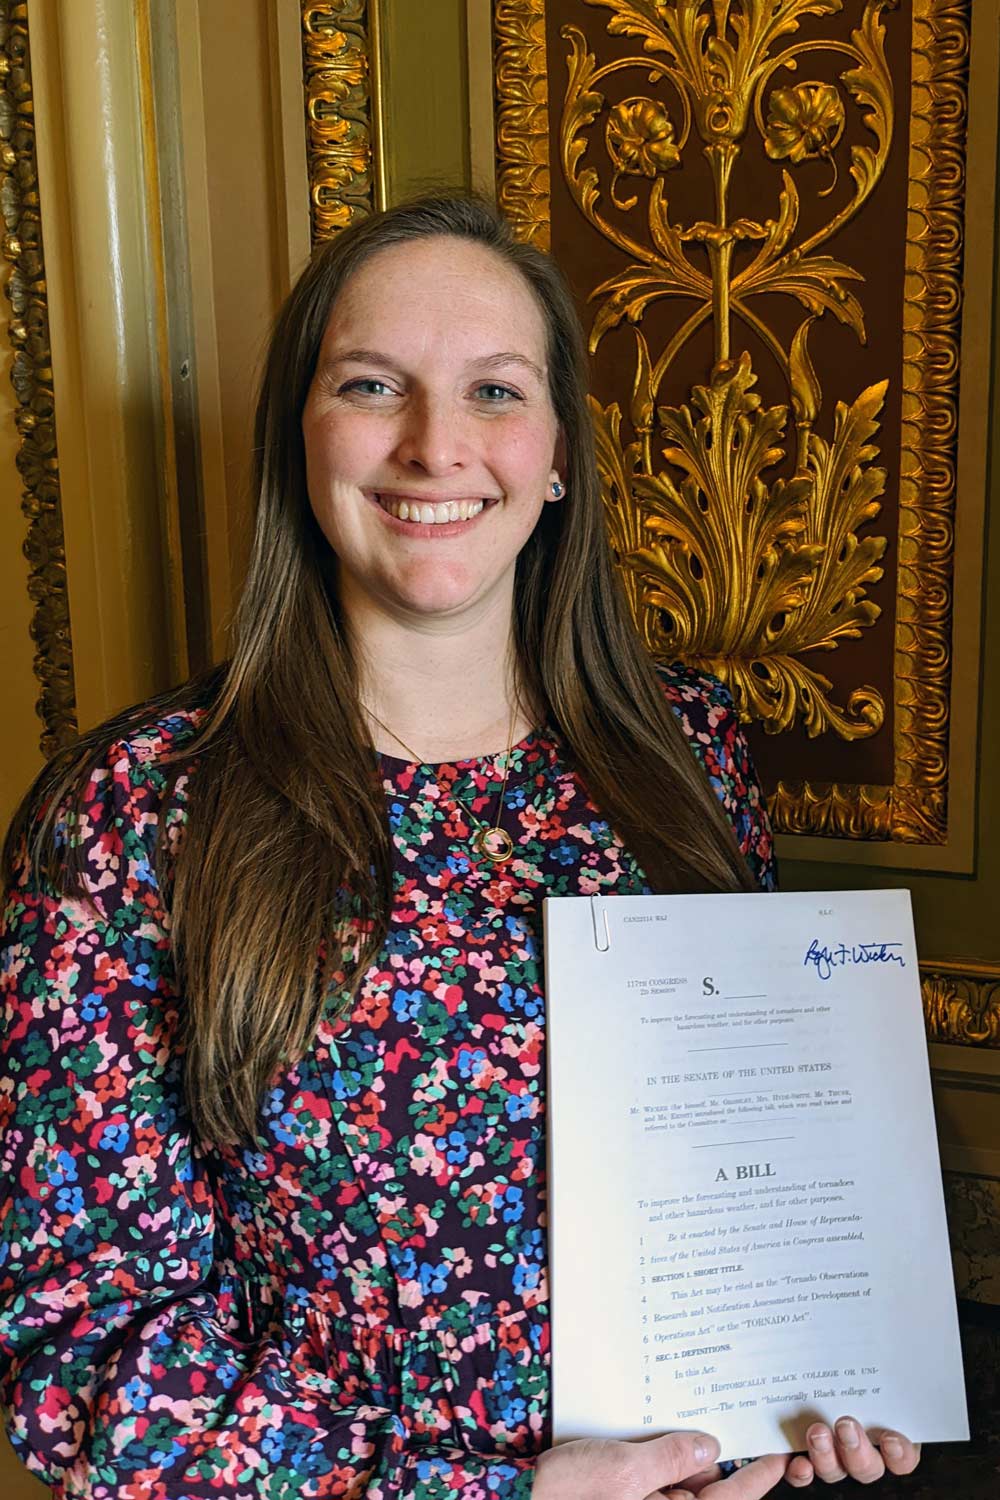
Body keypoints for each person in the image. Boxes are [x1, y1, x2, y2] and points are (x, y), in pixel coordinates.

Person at [0, 194, 920, 1499]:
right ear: (300, 441)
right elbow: (78, 1357)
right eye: (376, 384)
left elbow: (746, 1188)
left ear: (555, 458)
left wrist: (812, 1399)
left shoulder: (689, 757)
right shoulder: (137, 806)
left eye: (495, 391)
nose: (437, 447)